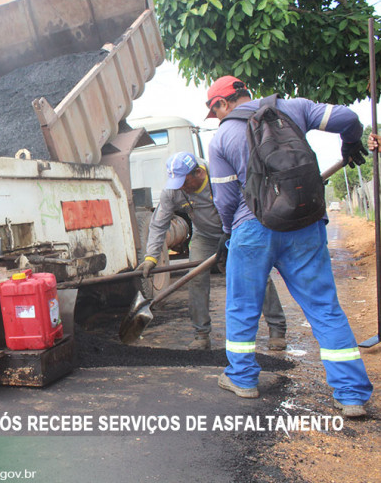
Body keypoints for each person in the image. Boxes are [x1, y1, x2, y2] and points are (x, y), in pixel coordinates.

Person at [205, 75, 373, 417]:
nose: (217, 117)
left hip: (250, 229)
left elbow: (225, 198)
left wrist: (228, 232)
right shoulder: (294, 107)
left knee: (242, 306)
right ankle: (352, 395)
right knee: (325, 307)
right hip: (304, 224)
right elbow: (349, 120)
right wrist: (351, 144)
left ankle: (242, 379)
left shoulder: (222, 136)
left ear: (222, 103)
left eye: (215, 110)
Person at [138, 152, 287, 350]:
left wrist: (235, 236)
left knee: (257, 275)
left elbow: (249, 206)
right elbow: (159, 225)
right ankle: (201, 334)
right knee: (196, 278)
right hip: (205, 237)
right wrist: (151, 257)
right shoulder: (173, 191)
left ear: (198, 173)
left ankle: (277, 328)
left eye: (184, 181)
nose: (181, 186)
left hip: (237, 230)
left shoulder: (221, 176)